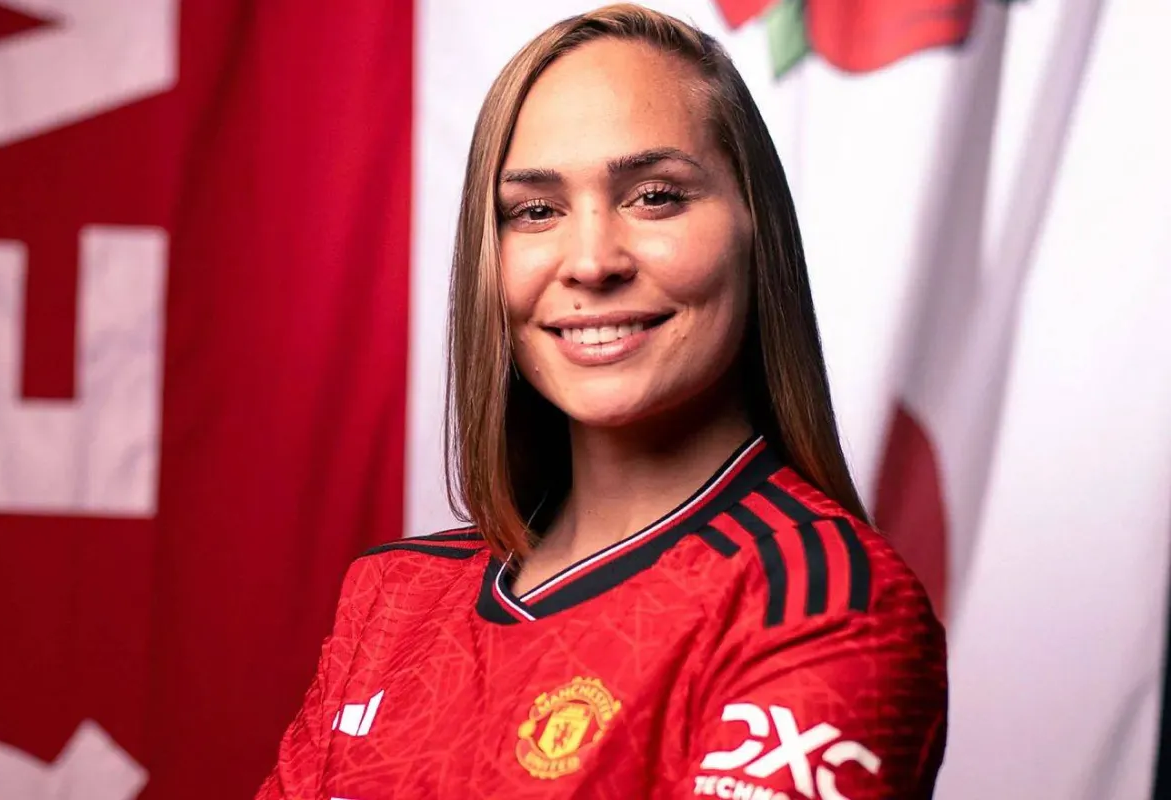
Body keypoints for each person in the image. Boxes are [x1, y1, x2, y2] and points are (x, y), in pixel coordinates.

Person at [257, 5, 947, 798]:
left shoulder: (821, 601)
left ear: (757, 229)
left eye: (654, 196)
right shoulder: (392, 600)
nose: (590, 261)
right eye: (536, 211)